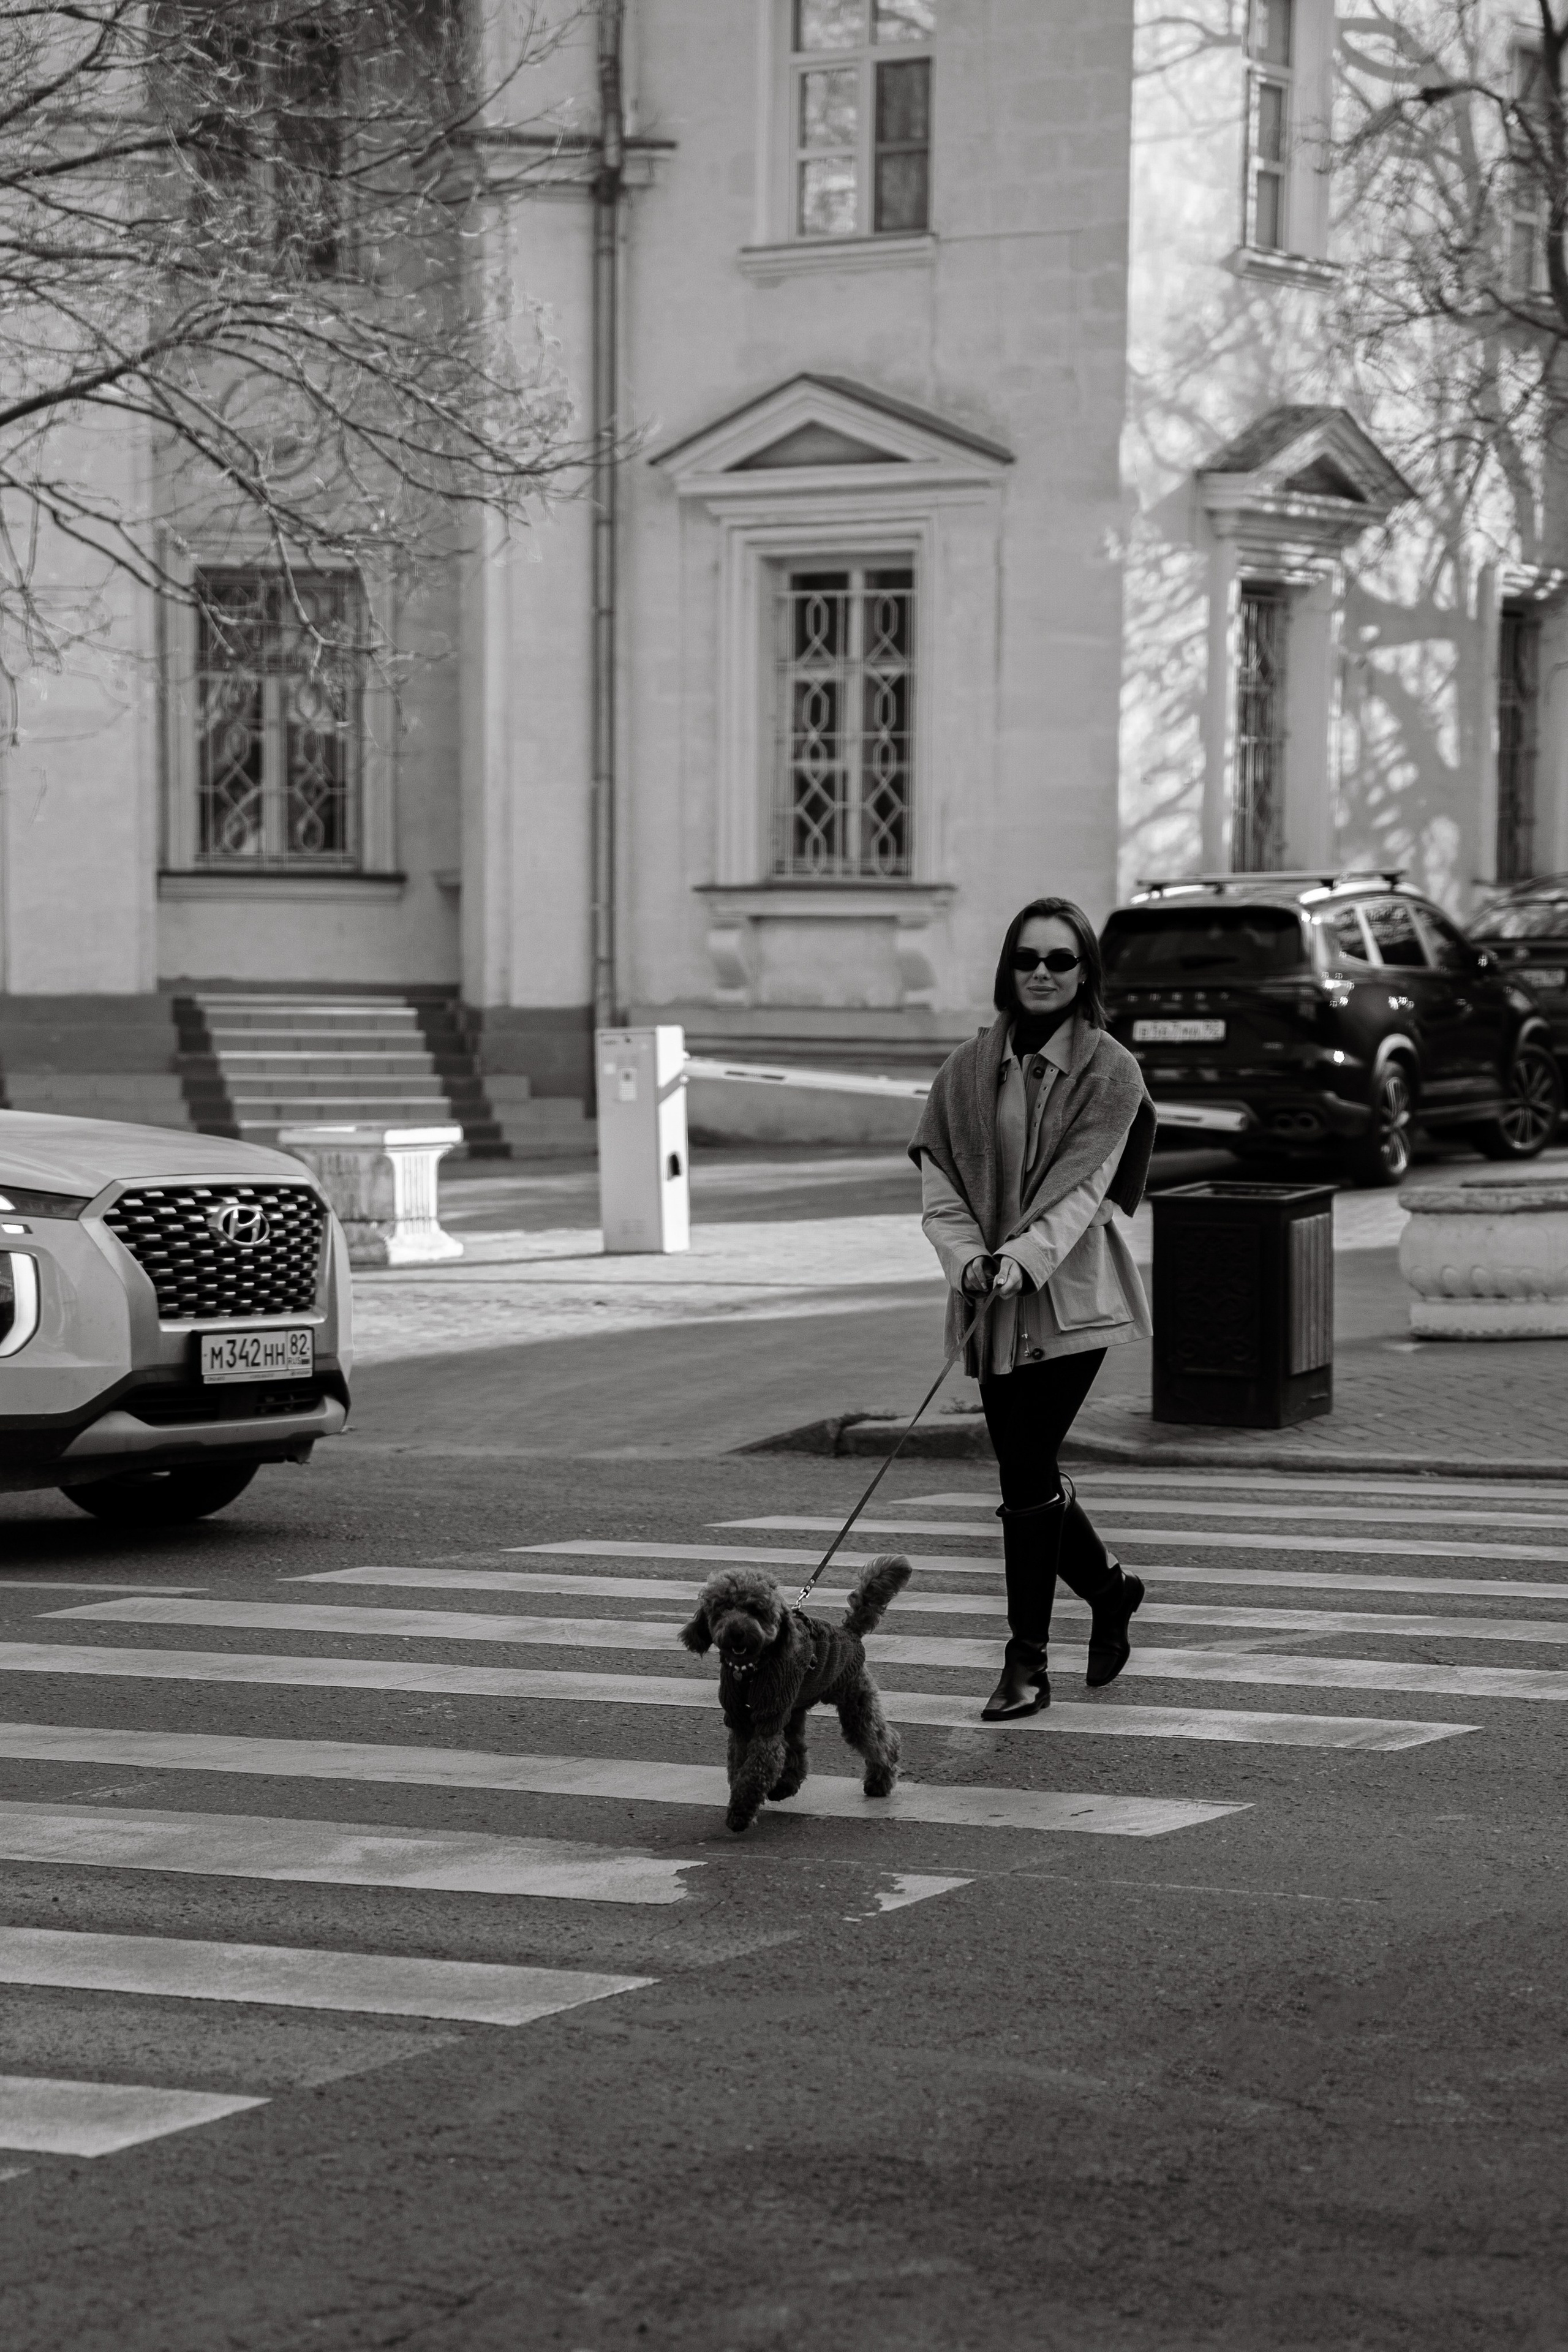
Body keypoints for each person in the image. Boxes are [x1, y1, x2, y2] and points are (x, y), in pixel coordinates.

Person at [908, 897, 1157, 1721]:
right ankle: (1112, 1592)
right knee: (1028, 1471)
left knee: (1023, 1462)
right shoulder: (965, 1071)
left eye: (1060, 960)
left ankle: (1026, 1663)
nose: (1042, 974)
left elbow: (1084, 1192)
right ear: (1007, 969)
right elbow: (941, 1190)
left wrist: (1022, 1259)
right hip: (990, 1299)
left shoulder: (1111, 1071)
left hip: (1072, 1299)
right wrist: (969, 1262)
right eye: (1028, 959)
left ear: (1085, 974)